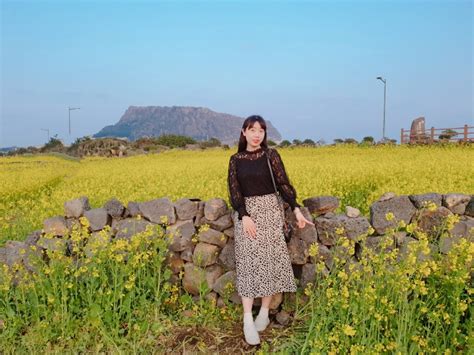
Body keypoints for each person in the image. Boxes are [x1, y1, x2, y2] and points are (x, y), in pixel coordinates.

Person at [227, 115, 314, 345]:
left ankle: (264, 313)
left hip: (271, 213)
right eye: (252, 129)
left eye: (261, 130)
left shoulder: (271, 155)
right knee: (247, 264)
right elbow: (234, 191)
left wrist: (296, 210)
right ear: (243, 132)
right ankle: (247, 319)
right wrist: (243, 215)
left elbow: (283, 184)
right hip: (248, 217)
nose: (257, 134)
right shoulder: (235, 159)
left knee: (269, 263)